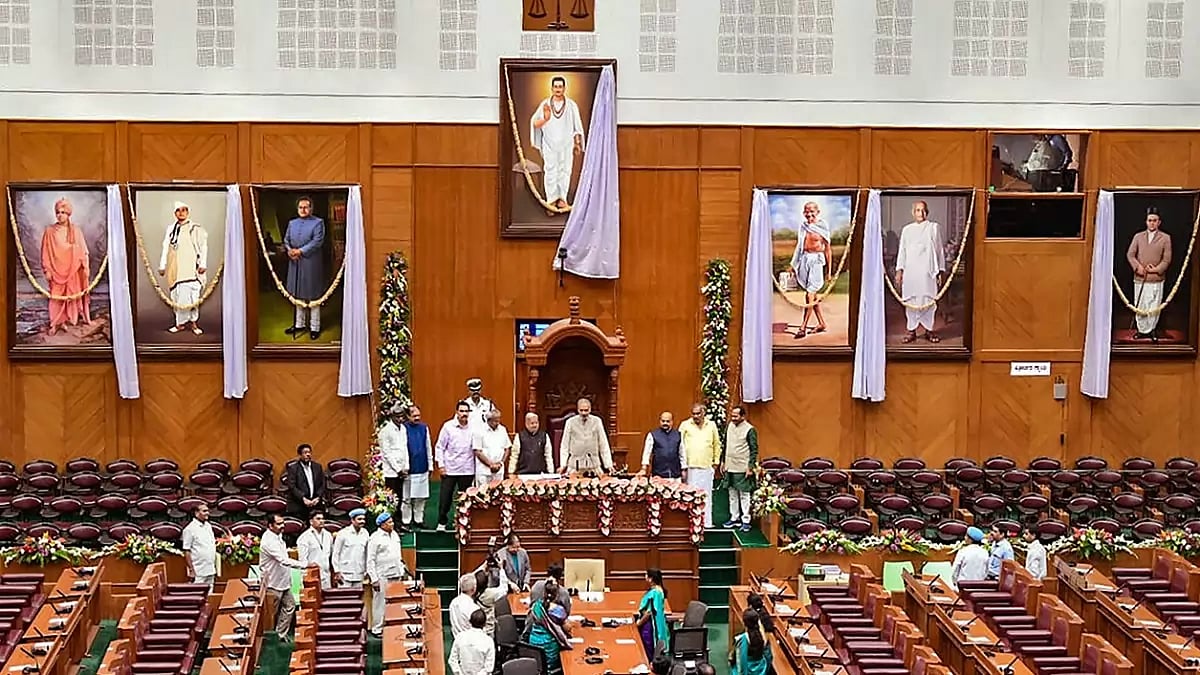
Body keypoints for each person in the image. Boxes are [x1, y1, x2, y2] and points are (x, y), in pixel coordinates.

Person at [529, 75, 585, 211]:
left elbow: (577, 126)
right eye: (556, 87)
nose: (558, 89)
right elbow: (535, 123)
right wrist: (546, 118)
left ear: (564, 88)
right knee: (550, 170)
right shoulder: (545, 105)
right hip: (549, 143)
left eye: (560, 87)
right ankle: (551, 201)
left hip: (567, 144)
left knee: (565, 171)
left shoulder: (571, 105)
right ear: (552, 88)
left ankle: (562, 199)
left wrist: (577, 143)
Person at [894, 200, 946, 344]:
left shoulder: (933, 228)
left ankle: (929, 330)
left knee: (929, 300)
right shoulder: (907, 230)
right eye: (917, 210)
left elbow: (939, 250)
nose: (920, 213)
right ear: (913, 212)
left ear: (927, 212)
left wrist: (941, 270)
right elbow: (902, 252)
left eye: (923, 210)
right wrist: (900, 271)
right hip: (911, 272)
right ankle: (911, 331)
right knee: (911, 300)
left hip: (927, 273)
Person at [40, 197, 92, 336]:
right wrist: (47, 269)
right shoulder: (49, 231)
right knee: (56, 298)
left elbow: (83, 250)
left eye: (63, 212)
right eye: (58, 212)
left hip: (73, 269)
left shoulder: (76, 231)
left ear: (68, 214)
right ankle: (55, 323)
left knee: (71, 295)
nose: (60, 215)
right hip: (56, 271)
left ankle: (66, 321)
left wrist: (85, 266)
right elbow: (45, 252)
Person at [156, 200, 209, 335]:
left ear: (188, 212)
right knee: (177, 296)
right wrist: (162, 265)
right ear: (175, 213)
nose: (181, 213)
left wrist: (203, 264)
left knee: (193, 297)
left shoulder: (195, 228)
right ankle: (179, 324)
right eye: (179, 210)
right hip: (175, 267)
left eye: (184, 210)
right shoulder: (171, 229)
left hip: (191, 268)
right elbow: (165, 247)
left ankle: (193, 323)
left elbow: (203, 247)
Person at [259, 513, 309, 641]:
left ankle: (280, 633)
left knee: (290, 605)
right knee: (271, 613)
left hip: (284, 581)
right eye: (279, 524)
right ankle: (268, 638)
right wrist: (305, 565)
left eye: (283, 523)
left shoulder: (278, 536)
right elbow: (283, 560)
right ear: (270, 526)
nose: (283, 526)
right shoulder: (268, 541)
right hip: (272, 583)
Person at [1126, 206, 1173, 341]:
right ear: (1146, 221)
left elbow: (1167, 259)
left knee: (1154, 305)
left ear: (1159, 222)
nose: (1152, 223)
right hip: (1140, 278)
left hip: (1156, 279)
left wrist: (1156, 269)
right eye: (1149, 220)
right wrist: (1138, 267)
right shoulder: (1138, 237)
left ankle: (1152, 330)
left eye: (1154, 220)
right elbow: (1130, 255)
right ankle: (1141, 330)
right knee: (1141, 304)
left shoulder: (1165, 238)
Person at [283, 195, 326, 340]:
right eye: (300, 207)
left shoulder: (318, 222)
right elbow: (286, 239)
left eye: (306, 207)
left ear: (311, 208)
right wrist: (289, 250)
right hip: (295, 263)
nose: (303, 210)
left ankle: (315, 327)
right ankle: (299, 324)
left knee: (313, 296)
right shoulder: (292, 223)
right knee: (296, 294)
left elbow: (317, 241)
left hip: (311, 263)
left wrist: (300, 251)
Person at [789, 200, 833, 338]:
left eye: (812, 211)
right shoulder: (803, 227)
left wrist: (829, 271)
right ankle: (822, 323)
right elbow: (799, 247)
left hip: (816, 261)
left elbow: (828, 250)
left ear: (817, 212)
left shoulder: (822, 226)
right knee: (811, 296)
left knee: (810, 294)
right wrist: (793, 264)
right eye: (806, 211)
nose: (809, 214)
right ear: (803, 213)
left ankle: (803, 327)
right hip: (804, 260)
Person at [435, 400, 477, 532]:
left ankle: (462, 523)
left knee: (465, 499)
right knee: (445, 498)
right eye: (461, 411)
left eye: (466, 411)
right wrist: (441, 466)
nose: (464, 414)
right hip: (450, 469)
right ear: (457, 412)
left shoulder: (474, 427)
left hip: (467, 469)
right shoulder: (448, 427)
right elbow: (440, 447)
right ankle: (442, 522)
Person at [680, 403, 722, 528]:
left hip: (706, 466)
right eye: (693, 413)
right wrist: (682, 465)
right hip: (690, 467)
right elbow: (680, 445)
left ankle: (707, 522)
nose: (695, 416)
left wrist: (716, 462)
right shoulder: (685, 425)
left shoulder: (712, 425)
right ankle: (691, 522)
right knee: (690, 495)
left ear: (704, 413)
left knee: (706, 494)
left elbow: (716, 444)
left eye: (698, 413)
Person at [365, 512, 407, 636]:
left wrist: (402, 570)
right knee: (380, 603)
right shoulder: (375, 538)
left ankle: (392, 625)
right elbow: (370, 560)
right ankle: (377, 628)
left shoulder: (394, 535)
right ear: (382, 525)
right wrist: (374, 579)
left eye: (392, 522)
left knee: (394, 602)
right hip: (382, 575)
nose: (392, 524)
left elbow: (398, 555)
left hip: (396, 573)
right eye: (389, 522)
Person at [722, 406, 759, 532]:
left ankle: (746, 520)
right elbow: (725, 444)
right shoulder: (729, 426)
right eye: (732, 416)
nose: (733, 418)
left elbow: (754, 450)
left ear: (743, 416)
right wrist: (723, 461)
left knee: (744, 494)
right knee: (732, 493)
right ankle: (734, 518)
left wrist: (751, 467)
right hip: (729, 465)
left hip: (743, 467)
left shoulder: (750, 429)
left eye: (736, 416)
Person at [527, 578, 573, 671]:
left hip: (533, 648)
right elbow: (568, 628)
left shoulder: (536, 606)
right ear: (557, 594)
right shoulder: (558, 610)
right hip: (549, 650)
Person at [558, 398, 613, 475]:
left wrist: (608, 464)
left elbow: (603, 444)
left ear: (590, 409)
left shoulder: (597, 421)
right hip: (575, 466)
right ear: (577, 409)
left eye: (586, 410)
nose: (584, 413)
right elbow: (564, 445)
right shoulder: (570, 422)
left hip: (594, 466)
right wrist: (563, 464)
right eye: (581, 410)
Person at [402, 405, 434, 529]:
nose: (417, 418)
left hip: (422, 466)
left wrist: (430, 465)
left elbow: (428, 447)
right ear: (408, 416)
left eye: (418, 415)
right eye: (414, 416)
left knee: (421, 496)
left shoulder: (424, 428)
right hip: (409, 468)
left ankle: (418, 519)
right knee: (407, 497)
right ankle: (406, 521)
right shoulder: (403, 428)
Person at [377, 402, 410, 516]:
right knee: (392, 500)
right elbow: (386, 453)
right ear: (392, 416)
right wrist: (398, 469)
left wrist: (406, 467)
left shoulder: (404, 429)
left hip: (402, 470)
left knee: (401, 498)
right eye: (398, 416)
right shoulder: (385, 431)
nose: (400, 419)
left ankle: (399, 522)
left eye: (402, 416)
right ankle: (392, 523)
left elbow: (405, 448)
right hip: (391, 472)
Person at [180, 502, 217, 589]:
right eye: (204, 511)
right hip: (198, 571)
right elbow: (187, 551)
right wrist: (191, 570)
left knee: (210, 596)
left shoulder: (208, 526)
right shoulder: (189, 529)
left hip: (210, 569)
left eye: (207, 511)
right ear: (196, 513)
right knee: (197, 595)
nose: (207, 513)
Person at [285, 443, 325, 521]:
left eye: (309, 452)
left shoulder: (317, 467)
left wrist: (318, 497)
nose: (308, 454)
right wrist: (303, 498)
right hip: (299, 504)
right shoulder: (293, 468)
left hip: (315, 503)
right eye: (305, 452)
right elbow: (292, 486)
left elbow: (322, 484)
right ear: (300, 455)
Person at [449, 608, 495, 675]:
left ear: (470, 622)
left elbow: (452, 660)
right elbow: (489, 667)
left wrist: (459, 673)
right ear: (485, 624)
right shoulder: (489, 641)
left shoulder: (460, 637)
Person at [636, 568, 670, 659]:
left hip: (651, 626)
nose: (645, 577)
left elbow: (649, 612)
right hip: (656, 623)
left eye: (646, 575)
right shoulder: (657, 590)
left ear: (651, 578)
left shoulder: (655, 592)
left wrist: (639, 623)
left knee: (649, 650)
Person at [641, 411, 684, 481]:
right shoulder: (652, 435)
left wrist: (684, 468)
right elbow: (646, 453)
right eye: (663, 421)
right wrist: (644, 468)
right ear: (660, 421)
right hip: (658, 475)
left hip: (675, 475)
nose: (665, 423)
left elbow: (682, 453)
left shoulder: (678, 435)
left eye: (667, 421)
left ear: (672, 422)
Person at [473, 409, 511, 487]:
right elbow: (477, 451)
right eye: (495, 421)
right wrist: (491, 465)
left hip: (499, 471)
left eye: (498, 420)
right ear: (489, 420)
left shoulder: (502, 429)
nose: (497, 423)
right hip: (484, 471)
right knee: (482, 495)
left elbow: (507, 448)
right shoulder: (479, 431)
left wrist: (501, 463)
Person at [332, 508, 369, 588]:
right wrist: (337, 571)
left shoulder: (365, 533)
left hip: (359, 573)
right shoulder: (343, 533)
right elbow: (336, 553)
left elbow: (366, 553)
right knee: (344, 599)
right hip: (344, 573)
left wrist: (367, 570)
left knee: (358, 598)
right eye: (359, 519)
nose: (362, 521)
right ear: (352, 520)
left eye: (363, 519)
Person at [296, 511, 334, 589]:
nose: (321, 521)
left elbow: (331, 555)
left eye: (323, 519)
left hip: (326, 575)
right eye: (318, 519)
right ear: (311, 521)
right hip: (312, 576)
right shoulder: (304, 537)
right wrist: (304, 579)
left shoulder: (328, 535)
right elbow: (302, 560)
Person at [510, 412, 554, 476]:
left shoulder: (544, 436)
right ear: (526, 424)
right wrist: (511, 472)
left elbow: (548, 456)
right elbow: (514, 456)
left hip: (540, 474)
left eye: (536, 423)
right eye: (532, 423)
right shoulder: (519, 436)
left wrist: (551, 472)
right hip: (523, 473)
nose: (535, 425)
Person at [731, 608, 773, 675]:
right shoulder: (764, 637)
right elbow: (768, 656)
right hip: (761, 670)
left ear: (744, 622)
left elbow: (741, 663)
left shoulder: (742, 639)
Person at [449, 573, 481, 638]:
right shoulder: (474, 609)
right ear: (474, 589)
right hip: (470, 642)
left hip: (456, 638)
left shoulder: (453, 602)